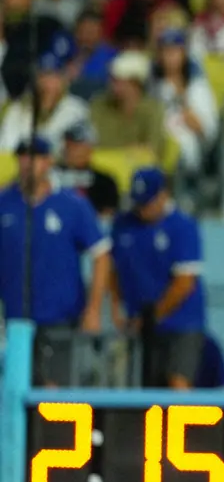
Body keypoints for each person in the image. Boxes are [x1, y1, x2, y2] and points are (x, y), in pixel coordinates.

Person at [0, 136, 110, 386]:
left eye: (36, 157)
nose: (29, 164)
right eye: (24, 157)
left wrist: (93, 310)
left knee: (54, 395)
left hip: (60, 318)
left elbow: (101, 254)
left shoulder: (72, 205)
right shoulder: (5, 204)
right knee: (16, 389)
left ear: (48, 161)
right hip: (14, 320)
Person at [109, 167, 207, 389]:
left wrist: (153, 315)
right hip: (138, 324)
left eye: (149, 202)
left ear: (163, 195)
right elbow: (112, 270)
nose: (143, 209)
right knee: (141, 390)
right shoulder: (123, 224)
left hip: (180, 323)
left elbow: (184, 282)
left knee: (178, 386)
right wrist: (117, 308)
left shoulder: (183, 226)